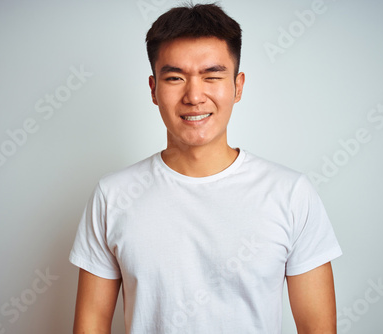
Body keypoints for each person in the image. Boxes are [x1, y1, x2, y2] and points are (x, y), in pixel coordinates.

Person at [70, 3, 342, 333]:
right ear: (154, 89)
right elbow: (91, 323)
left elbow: (318, 328)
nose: (194, 96)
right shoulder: (113, 195)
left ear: (237, 86)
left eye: (212, 76)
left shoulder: (290, 193)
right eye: (175, 78)